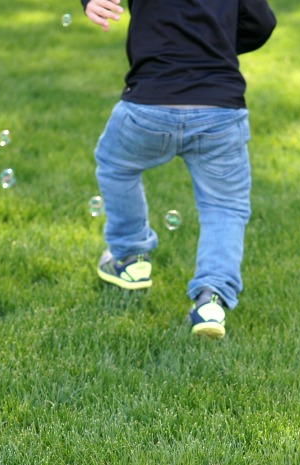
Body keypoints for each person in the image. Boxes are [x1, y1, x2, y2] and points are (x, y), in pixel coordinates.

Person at [81, 0, 276, 339]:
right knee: (224, 206)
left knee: (116, 166)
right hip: (221, 109)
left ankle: (129, 257)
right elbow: (262, 23)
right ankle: (210, 299)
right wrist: (215, 44)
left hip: (148, 107)